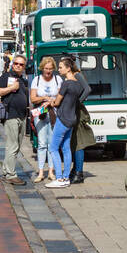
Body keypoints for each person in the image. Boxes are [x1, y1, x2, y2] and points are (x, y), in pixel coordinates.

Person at [44, 56, 85, 188]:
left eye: (61, 67)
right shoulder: (78, 84)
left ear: (68, 68)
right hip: (72, 118)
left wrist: (50, 102)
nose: (59, 69)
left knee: (53, 148)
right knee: (66, 148)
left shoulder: (66, 83)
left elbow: (57, 102)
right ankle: (66, 178)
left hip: (62, 118)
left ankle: (60, 179)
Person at [0, 54, 30, 184]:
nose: (18, 66)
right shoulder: (6, 77)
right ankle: (10, 174)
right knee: (12, 145)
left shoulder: (23, 80)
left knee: (17, 145)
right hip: (11, 114)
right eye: (16, 64)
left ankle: (6, 170)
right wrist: (11, 88)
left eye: (21, 64)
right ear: (12, 64)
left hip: (22, 115)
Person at [29, 56, 62, 182]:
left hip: (54, 114)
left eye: (50, 69)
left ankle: (51, 171)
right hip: (41, 113)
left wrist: (52, 101)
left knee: (52, 144)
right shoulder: (37, 80)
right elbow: (33, 98)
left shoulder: (58, 79)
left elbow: (60, 97)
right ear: (42, 68)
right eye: (46, 68)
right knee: (42, 143)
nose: (48, 71)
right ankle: (41, 172)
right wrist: (45, 98)